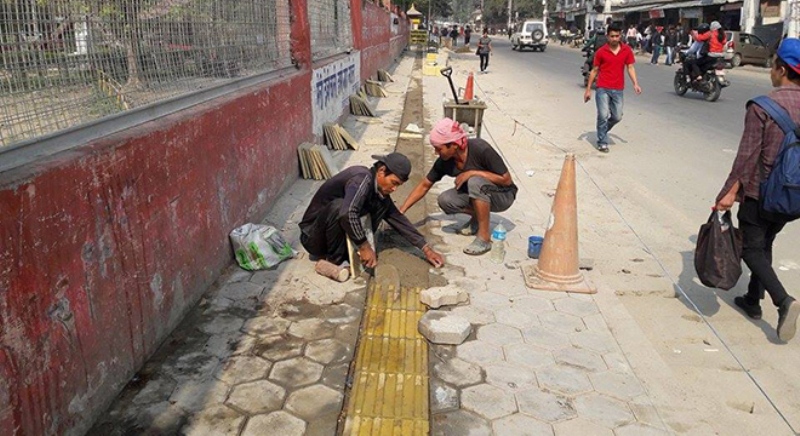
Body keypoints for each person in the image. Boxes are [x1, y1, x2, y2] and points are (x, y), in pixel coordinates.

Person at [714, 39, 800, 342]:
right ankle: (752, 299)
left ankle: (783, 301)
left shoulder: (762, 106)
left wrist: (727, 193)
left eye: (774, 65)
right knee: (765, 242)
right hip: (793, 195)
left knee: (751, 248)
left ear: (781, 69)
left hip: (760, 193)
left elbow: (746, 157)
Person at [299, 153, 444, 277]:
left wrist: (425, 248)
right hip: (313, 237)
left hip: (333, 234)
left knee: (381, 204)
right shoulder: (361, 179)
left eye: (398, 185)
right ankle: (335, 260)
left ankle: (348, 252)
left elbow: (397, 218)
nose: (394, 189)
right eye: (393, 182)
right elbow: (347, 213)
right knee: (341, 207)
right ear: (381, 171)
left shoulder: (378, 189)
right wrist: (364, 246)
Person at [399, 118, 517, 256]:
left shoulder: (480, 149)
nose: (436, 153)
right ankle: (478, 218)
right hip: (480, 193)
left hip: (503, 194)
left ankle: (484, 238)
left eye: (439, 149)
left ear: (454, 145)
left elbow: (506, 180)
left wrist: (472, 173)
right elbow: (424, 185)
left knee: (475, 182)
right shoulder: (445, 162)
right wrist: (401, 211)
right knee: (446, 200)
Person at [583, 23, 642, 153]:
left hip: (618, 88)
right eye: (612, 36)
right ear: (607, 36)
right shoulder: (601, 52)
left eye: (617, 36)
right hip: (603, 87)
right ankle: (602, 142)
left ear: (620, 36)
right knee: (603, 115)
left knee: (617, 116)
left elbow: (630, 67)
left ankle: (602, 130)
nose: (614, 39)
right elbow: (594, 70)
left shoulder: (626, 50)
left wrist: (635, 84)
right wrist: (588, 90)